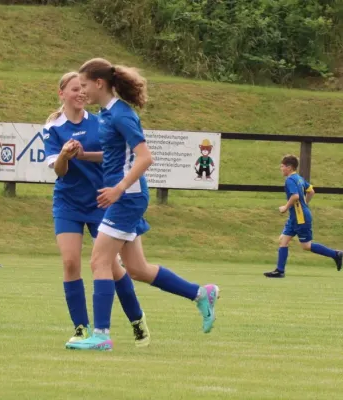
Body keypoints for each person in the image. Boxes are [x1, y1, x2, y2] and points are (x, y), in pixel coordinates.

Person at [66, 58, 219, 352]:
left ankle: (101, 335)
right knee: (136, 268)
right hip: (124, 196)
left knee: (100, 262)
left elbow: (145, 157)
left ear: (99, 83)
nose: (82, 90)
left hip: (127, 197)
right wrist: (85, 156)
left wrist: (119, 189)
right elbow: (115, 155)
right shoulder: (106, 114)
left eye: (84, 85)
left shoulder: (122, 115)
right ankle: (201, 294)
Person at [43, 71, 150, 347]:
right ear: (62, 93)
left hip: (101, 199)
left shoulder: (100, 122)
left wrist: (86, 155)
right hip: (68, 202)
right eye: (75, 89)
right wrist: (65, 156)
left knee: (112, 266)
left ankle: (137, 318)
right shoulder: (53, 127)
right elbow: (59, 171)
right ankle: (81, 328)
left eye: (83, 88)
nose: (80, 93)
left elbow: (114, 154)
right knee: (70, 262)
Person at [264, 155, 343, 278]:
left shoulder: (290, 180)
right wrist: (305, 203)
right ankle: (280, 271)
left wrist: (285, 207)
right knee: (283, 240)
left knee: (306, 246)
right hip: (294, 217)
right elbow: (311, 191)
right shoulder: (299, 178)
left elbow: (295, 196)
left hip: (301, 218)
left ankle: (335, 254)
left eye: (282, 166)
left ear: (289, 167)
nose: (281, 169)